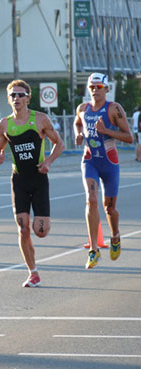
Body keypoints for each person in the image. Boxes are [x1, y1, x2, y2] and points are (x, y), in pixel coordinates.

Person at [0, 79, 64, 287]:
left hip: (39, 179)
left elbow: (59, 144)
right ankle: (33, 273)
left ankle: (40, 232)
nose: (17, 98)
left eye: (20, 94)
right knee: (23, 229)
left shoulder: (40, 119)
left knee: (40, 231)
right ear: (8, 99)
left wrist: (48, 162)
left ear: (28, 97)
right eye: (13, 95)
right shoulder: (4, 124)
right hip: (19, 180)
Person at [74, 73, 133, 269]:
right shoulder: (82, 108)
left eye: (98, 87)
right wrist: (79, 134)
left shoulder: (114, 109)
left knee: (109, 209)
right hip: (90, 160)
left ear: (106, 89)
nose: (94, 90)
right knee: (91, 199)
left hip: (109, 163)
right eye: (91, 87)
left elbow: (129, 137)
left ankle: (115, 236)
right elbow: (77, 123)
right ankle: (93, 250)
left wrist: (106, 131)